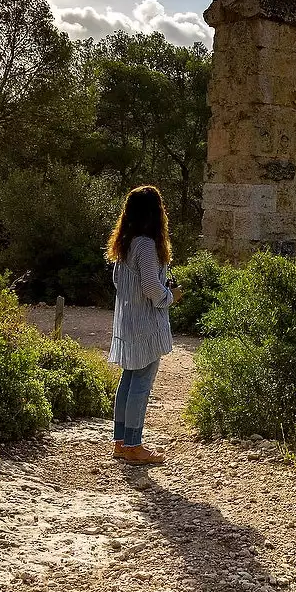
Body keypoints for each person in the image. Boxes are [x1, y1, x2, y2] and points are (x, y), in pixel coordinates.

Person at [106, 185, 176, 466]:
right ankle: (134, 445)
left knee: (128, 380)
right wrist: (171, 295)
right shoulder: (146, 245)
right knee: (141, 384)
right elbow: (150, 287)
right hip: (146, 325)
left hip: (129, 322)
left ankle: (121, 442)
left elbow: (120, 282)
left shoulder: (125, 243)